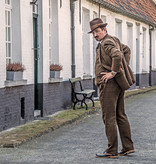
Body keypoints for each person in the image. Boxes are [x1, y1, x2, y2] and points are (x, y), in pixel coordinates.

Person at [88, 18, 135, 159]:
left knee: (109, 117)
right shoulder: (114, 39)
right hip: (117, 84)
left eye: (97, 31)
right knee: (120, 115)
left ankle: (111, 150)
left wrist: (114, 72)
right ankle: (127, 147)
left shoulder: (107, 42)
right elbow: (126, 50)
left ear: (104, 30)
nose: (95, 35)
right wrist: (123, 68)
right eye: (93, 32)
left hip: (109, 85)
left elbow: (117, 54)